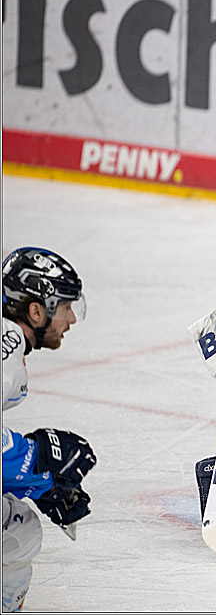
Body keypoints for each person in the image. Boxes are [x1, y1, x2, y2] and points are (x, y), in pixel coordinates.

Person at [2, 248, 96, 613]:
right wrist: (34, 462)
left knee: (16, 523)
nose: (71, 318)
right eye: (65, 307)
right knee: (17, 533)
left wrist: (35, 479)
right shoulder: (7, 346)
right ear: (36, 311)